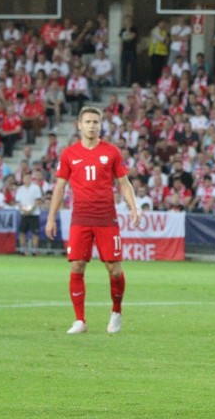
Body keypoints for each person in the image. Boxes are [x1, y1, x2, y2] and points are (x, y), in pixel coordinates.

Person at [45, 107, 140, 335]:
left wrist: (134, 207)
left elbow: (124, 183)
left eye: (95, 122)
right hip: (80, 218)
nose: (92, 125)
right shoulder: (69, 154)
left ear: (100, 125)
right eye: (87, 121)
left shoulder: (112, 152)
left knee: (114, 269)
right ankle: (80, 321)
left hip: (106, 217)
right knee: (77, 265)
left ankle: (116, 311)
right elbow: (59, 187)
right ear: (79, 125)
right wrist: (51, 218)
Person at [15, 171, 43, 256]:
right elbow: (18, 201)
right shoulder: (20, 189)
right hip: (24, 214)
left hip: (34, 214)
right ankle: (23, 250)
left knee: (35, 233)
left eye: (28, 178)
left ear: (31, 179)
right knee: (22, 232)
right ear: (23, 179)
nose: (27, 179)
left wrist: (31, 210)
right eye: (25, 178)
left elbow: (38, 200)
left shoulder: (36, 188)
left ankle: (34, 250)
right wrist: (23, 210)